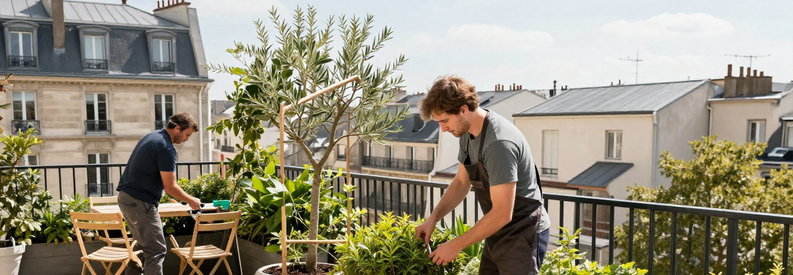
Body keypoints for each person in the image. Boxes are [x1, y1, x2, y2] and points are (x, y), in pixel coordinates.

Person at [415, 76, 551, 274]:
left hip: (523, 233)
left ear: (463, 109)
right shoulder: (467, 133)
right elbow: (461, 182)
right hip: (497, 229)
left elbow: (503, 213)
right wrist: (433, 219)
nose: (443, 129)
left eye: (444, 121)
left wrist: (455, 245)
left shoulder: (498, 143)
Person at [116, 112, 202, 275]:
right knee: (156, 250)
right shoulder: (165, 148)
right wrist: (191, 200)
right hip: (140, 201)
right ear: (177, 128)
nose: (187, 139)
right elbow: (170, 187)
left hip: (127, 198)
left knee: (143, 248)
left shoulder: (152, 136)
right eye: (187, 134)